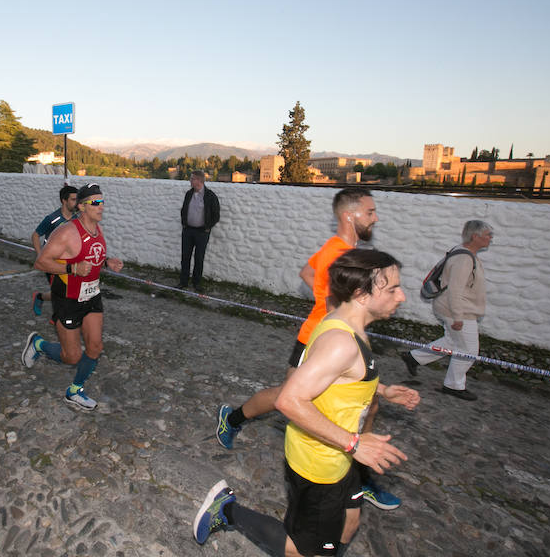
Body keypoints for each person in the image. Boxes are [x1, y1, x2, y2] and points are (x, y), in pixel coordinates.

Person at [194, 249, 420, 556]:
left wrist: (383, 390)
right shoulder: (341, 343)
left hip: (341, 455)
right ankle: (227, 511)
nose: (402, 296)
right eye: (392, 288)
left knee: (351, 521)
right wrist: (355, 445)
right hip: (321, 464)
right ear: (361, 294)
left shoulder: (346, 324)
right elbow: (289, 400)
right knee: (301, 549)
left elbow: (345, 379)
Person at [216, 188, 401, 509]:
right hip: (322, 342)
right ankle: (232, 421)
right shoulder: (338, 254)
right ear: (350, 215)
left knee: (365, 407)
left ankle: (358, 478)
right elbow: (330, 300)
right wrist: (326, 312)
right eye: (370, 212)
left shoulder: (341, 250)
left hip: (334, 339)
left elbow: (307, 273)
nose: (376, 217)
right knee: (289, 398)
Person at [21, 184, 123, 410]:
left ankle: (75, 390)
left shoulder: (98, 230)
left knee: (95, 347)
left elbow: (92, 257)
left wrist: (107, 263)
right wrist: (72, 269)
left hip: (92, 295)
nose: (101, 206)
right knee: (72, 356)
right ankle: (39, 344)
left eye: (102, 201)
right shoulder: (67, 232)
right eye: (96, 202)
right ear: (82, 207)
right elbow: (41, 262)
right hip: (67, 299)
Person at [403, 220, 492, 401]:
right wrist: (458, 317)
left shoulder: (465, 254)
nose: (490, 238)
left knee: (452, 342)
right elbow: (455, 290)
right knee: (468, 350)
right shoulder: (464, 258)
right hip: (458, 311)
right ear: (475, 237)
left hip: (453, 309)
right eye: (488, 235)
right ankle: (454, 385)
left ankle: (414, 358)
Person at [30, 185, 77, 317]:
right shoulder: (52, 219)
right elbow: (35, 235)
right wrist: (40, 255)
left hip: (68, 261)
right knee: (61, 292)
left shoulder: (76, 219)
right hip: (51, 261)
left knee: (68, 291)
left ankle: (40, 297)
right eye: (73, 199)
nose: (76, 203)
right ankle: (58, 318)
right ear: (64, 200)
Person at [179, 170, 220, 291]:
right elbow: (183, 210)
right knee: (185, 257)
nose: (190, 181)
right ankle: (183, 282)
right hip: (188, 231)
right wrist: (184, 223)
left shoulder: (210, 196)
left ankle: (197, 283)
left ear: (199, 180)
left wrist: (208, 227)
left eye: (192, 179)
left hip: (202, 232)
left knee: (199, 258)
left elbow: (216, 215)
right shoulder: (189, 194)